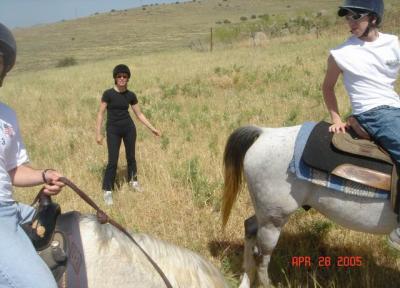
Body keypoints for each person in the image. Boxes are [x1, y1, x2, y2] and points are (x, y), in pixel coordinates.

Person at [322, 0, 400, 250]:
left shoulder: (394, 44)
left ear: (374, 18)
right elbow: (327, 88)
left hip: (395, 108)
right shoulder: (341, 54)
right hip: (372, 113)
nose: (350, 22)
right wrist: (336, 118)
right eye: (347, 17)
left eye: (356, 17)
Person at [0, 22, 65, 287]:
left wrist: (43, 175)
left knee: (73, 233)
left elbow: (13, 169)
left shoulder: (7, 116)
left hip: (10, 210)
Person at [96, 64, 160, 205]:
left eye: (125, 76)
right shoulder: (108, 94)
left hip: (129, 129)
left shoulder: (131, 95)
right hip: (113, 130)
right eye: (119, 76)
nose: (122, 78)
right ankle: (107, 191)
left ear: (128, 78)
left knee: (131, 157)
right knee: (113, 161)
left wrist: (152, 128)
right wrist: (98, 134)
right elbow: (100, 114)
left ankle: (133, 182)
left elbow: (139, 114)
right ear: (115, 78)